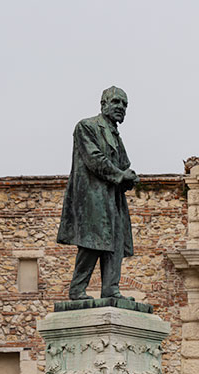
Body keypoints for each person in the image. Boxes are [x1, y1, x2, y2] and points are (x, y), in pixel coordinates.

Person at [57, 86, 140, 300]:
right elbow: (95, 159)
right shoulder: (87, 126)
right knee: (92, 243)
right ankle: (77, 289)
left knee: (115, 243)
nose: (121, 107)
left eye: (124, 104)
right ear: (103, 104)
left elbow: (122, 164)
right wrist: (121, 175)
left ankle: (111, 289)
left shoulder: (116, 135)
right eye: (116, 102)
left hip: (113, 199)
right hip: (92, 198)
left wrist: (128, 177)